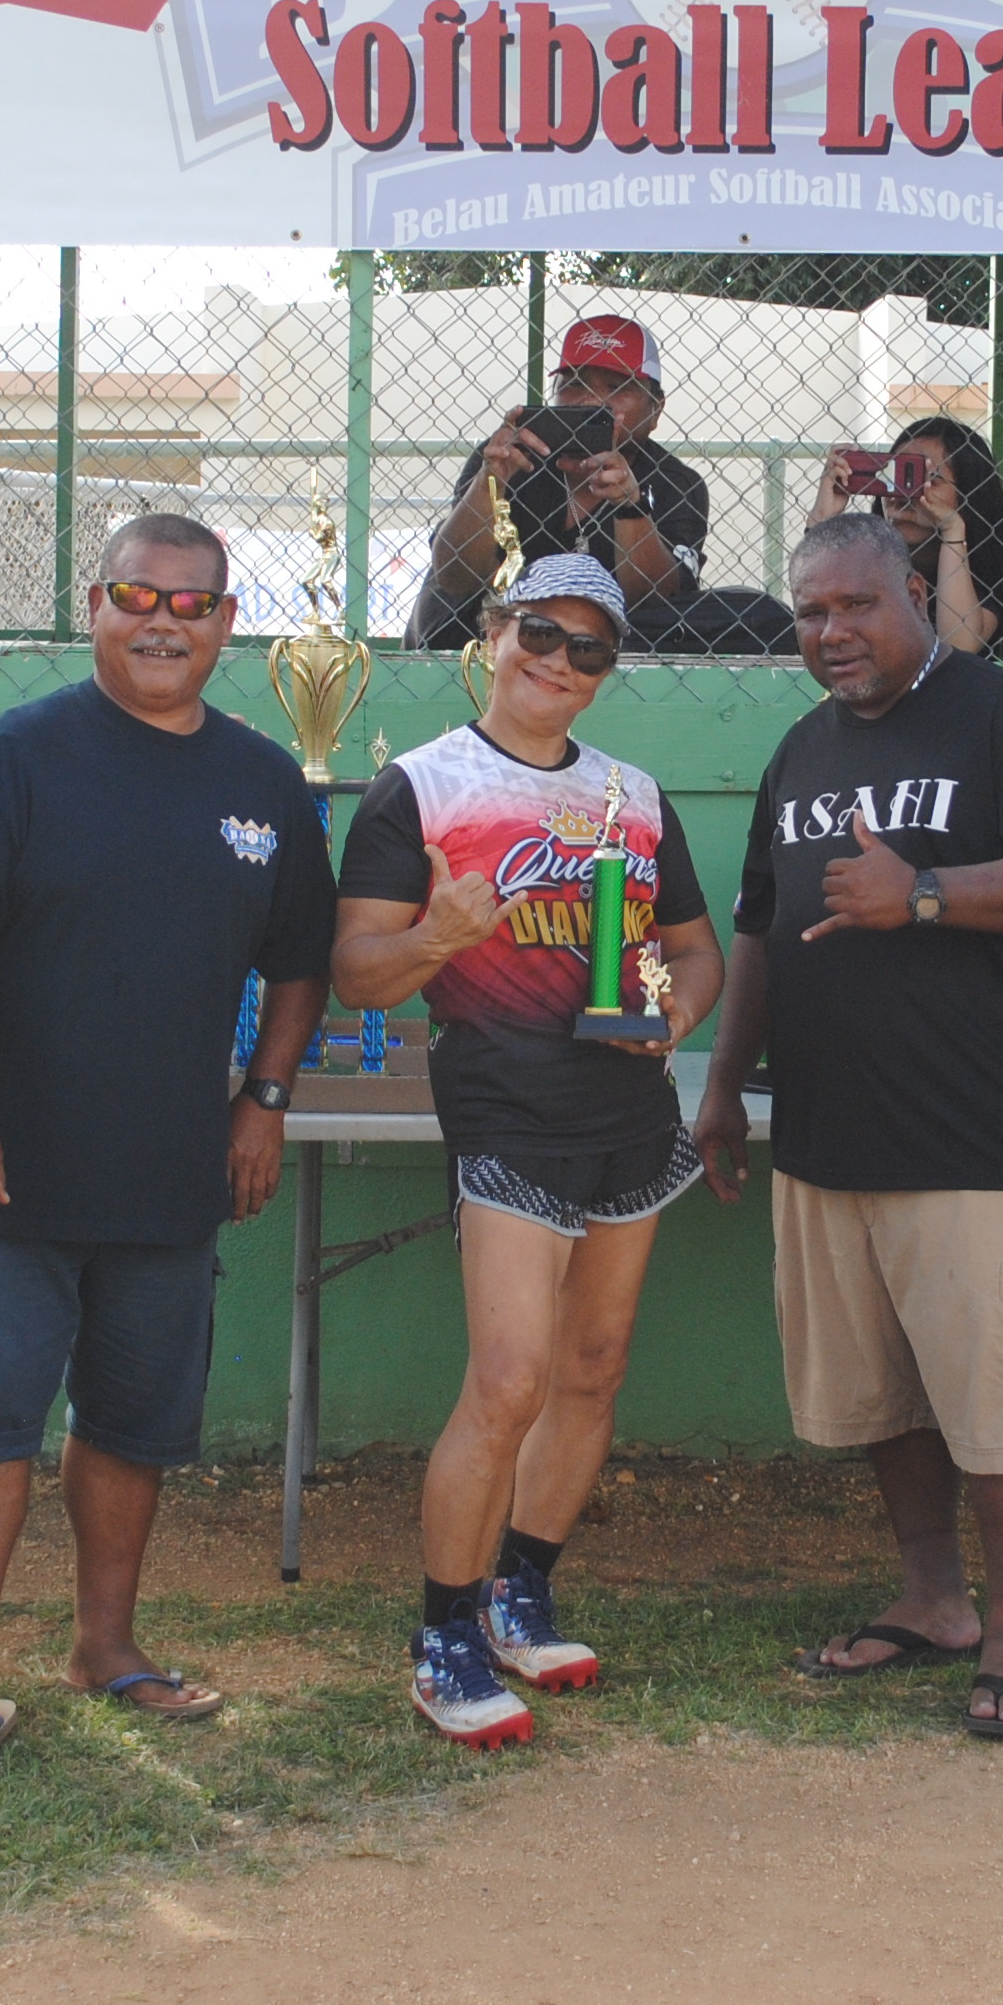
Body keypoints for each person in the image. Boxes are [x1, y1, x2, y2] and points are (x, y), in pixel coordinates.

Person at [0, 514, 335, 1776]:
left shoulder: (257, 782)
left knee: (134, 1423)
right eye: (138, 596)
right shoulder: (19, 757)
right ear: (94, 604)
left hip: (169, 1171)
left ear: (225, 625)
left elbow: (299, 960)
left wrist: (264, 1099)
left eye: (190, 605)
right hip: (10, 1174)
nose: (162, 622)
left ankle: (107, 1646)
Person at [693, 513, 1003, 1742]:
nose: (829, 633)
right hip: (833, 1132)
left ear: (913, 601)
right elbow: (764, 926)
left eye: (853, 607)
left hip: (987, 1135)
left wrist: (921, 893)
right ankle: (931, 1600)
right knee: (884, 1393)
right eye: (809, 613)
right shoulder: (800, 749)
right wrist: (726, 1083)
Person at [331, 556, 725, 1749]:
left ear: (608, 673)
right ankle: (443, 1635)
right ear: (493, 635)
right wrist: (438, 938)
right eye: (539, 635)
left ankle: (520, 1589)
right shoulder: (419, 787)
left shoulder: (632, 798)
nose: (557, 662)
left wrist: (669, 1014)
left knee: (592, 1371)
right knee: (508, 1382)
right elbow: (356, 968)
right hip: (505, 1117)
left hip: (627, 1121)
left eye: (588, 649)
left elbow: (695, 953)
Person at [409, 314, 709, 647]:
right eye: (575, 383)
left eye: (618, 388)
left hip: (605, 664)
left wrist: (630, 506)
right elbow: (455, 576)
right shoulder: (509, 456)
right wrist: (490, 480)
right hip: (472, 652)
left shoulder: (676, 484)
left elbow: (659, 604)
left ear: (656, 409)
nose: (593, 401)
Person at [803, 416, 1003, 657]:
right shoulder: (870, 548)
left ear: (967, 493)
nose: (903, 495)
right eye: (896, 475)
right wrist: (820, 522)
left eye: (927, 480)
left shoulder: (992, 548)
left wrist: (953, 532)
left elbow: (959, 645)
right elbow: (814, 613)